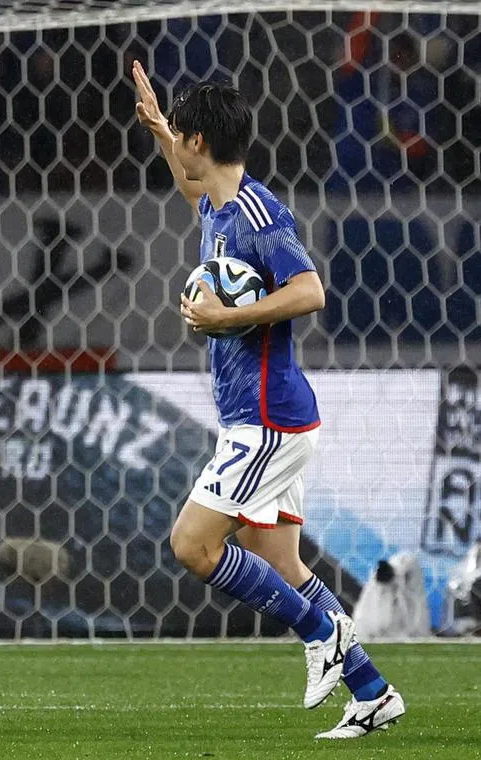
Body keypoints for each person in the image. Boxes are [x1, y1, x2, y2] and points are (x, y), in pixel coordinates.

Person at [132, 61, 405, 739]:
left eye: (184, 141)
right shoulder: (219, 207)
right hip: (258, 418)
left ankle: (323, 637)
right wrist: (164, 129)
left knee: (193, 545)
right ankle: (372, 693)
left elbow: (311, 290)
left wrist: (226, 318)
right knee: (280, 562)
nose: (182, 159)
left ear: (205, 143)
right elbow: (189, 182)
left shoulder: (256, 214)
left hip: (268, 422)